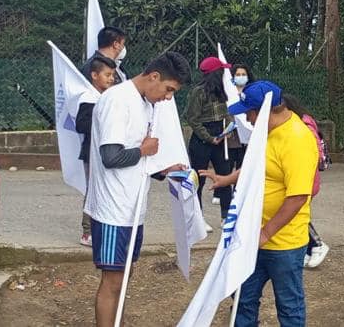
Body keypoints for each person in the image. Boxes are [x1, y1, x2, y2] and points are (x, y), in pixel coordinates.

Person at [84, 52, 191, 327]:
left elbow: (137, 157)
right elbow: (110, 157)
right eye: (169, 89)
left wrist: (164, 169)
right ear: (154, 76)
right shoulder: (117, 101)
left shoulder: (145, 103)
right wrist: (144, 150)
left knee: (125, 276)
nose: (168, 97)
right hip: (113, 209)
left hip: (132, 208)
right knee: (113, 279)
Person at [203, 81, 318, 327]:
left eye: (249, 113)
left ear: (263, 111)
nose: (247, 119)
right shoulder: (267, 132)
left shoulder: (298, 140)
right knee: (243, 299)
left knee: (289, 306)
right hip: (252, 237)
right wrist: (227, 179)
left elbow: (298, 197)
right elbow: (257, 166)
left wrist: (266, 233)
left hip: (283, 244)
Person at [183, 57, 235, 229]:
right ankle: (197, 219)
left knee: (225, 176)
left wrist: (228, 129)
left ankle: (226, 216)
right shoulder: (198, 92)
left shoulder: (223, 90)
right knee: (198, 179)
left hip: (221, 137)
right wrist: (209, 137)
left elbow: (228, 113)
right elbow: (192, 118)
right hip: (202, 139)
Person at [282, 93, 332, 269]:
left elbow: (314, 153)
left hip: (305, 179)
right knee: (296, 215)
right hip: (301, 178)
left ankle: (317, 244)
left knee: (298, 214)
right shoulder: (299, 124)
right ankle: (306, 250)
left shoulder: (303, 126)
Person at [74, 57, 117, 247]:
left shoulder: (108, 96)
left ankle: (102, 228)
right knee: (93, 191)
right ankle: (87, 232)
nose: (111, 79)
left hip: (106, 152)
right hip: (91, 153)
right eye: (107, 75)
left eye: (113, 75)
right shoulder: (88, 98)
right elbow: (81, 124)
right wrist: (102, 120)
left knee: (105, 191)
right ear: (94, 75)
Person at [211, 63, 253, 206]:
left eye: (243, 74)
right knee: (226, 165)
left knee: (242, 164)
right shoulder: (228, 92)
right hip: (231, 136)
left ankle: (238, 192)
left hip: (245, 137)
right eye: (238, 74)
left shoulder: (250, 93)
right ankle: (220, 191)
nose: (241, 77)